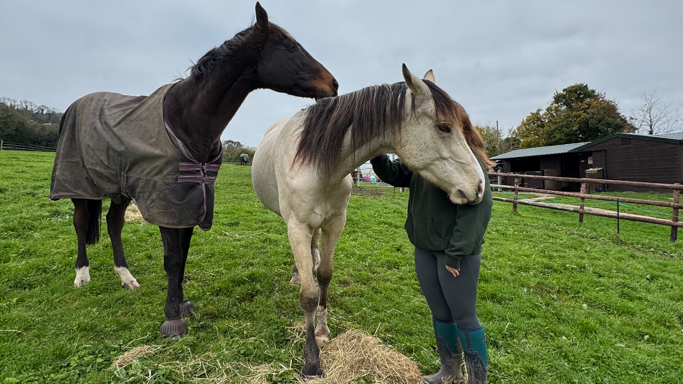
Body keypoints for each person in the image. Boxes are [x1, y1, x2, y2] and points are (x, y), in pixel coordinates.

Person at [371, 154, 493, 384]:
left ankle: (478, 381)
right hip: (425, 248)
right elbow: (395, 174)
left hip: (454, 254)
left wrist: (456, 253)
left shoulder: (464, 159)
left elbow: (479, 207)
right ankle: (449, 370)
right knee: (440, 313)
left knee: (464, 316)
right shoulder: (424, 160)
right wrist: (377, 153)